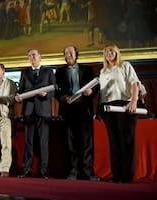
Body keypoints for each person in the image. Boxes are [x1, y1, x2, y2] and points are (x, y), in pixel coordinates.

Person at [55, 45, 100, 181]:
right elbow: (57, 91)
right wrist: (63, 97)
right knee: (71, 142)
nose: (68, 54)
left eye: (71, 52)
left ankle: (88, 172)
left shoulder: (87, 69)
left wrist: (91, 92)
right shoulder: (60, 72)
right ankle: (73, 171)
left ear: (76, 54)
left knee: (87, 142)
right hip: (68, 110)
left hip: (84, 109)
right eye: (66, 52)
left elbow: (96, 87)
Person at [98, 44, 140, 183]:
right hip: (108, 109)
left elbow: (135, 84)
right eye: (106, 51)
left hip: (125, 106)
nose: (108, 53)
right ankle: (117, 176)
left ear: (117, 52)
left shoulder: (125, 66)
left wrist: (134, 101)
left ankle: (127, 177)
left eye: (111, 50)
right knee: (114, 143)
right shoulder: (102, 71)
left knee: (126, 142)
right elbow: (102, 92)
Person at [15, 48, 56, 179]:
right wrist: (18, 96)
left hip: (43, 111)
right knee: (28, 142)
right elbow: (20, 90)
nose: (31, 58)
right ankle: (27, 169)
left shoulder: (48, 71)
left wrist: (47, 94)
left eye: (34, 55)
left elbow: (54, 89)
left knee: (43, 143)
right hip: (28, 111)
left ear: (40, 57)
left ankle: (43, 170)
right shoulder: (24, 73)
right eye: (29, 56)